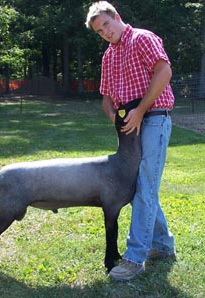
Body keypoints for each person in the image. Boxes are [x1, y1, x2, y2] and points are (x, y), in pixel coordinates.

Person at [85, 1, 176, 281]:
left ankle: (135, 257)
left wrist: (140, 111)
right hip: (130, 126)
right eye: (100, 31)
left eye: (107, 25)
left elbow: (164, 72)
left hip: (154, 119)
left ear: (117, 17)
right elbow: (106, 99)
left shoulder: (143, 38)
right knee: (140, 185)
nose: (106, 33)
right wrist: (116, 117)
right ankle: (162, 246)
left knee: (145, 186)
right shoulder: (108, 56)